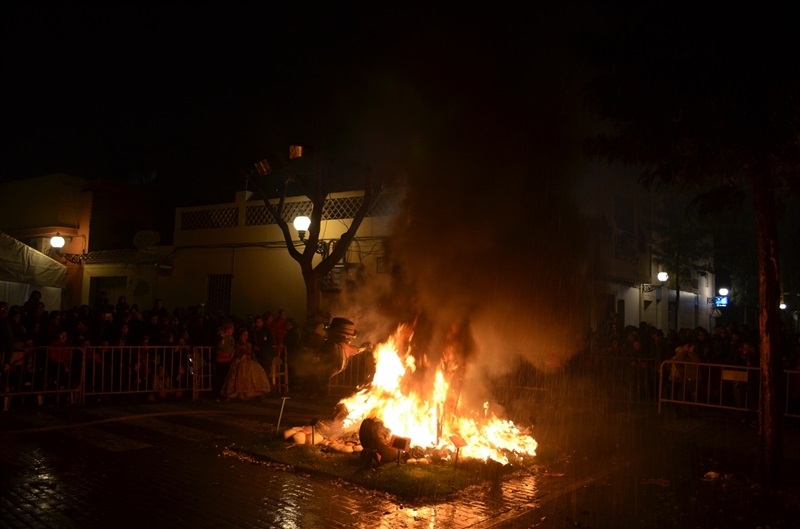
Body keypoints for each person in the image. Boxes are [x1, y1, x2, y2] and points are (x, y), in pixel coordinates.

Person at [314, 318, 371, 393]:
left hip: (314, 382)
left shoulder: (331, 346)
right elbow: (356, 349)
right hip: (319, 384)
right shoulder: (345, 348)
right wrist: (365, 348)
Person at [220, 328, 271, 400]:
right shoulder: (237, 344)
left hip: (248, 363)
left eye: (247, 335)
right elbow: (237, 353)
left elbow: (250, 354)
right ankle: (239, 393)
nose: (245, 336)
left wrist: (254, 360)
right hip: (239, 363)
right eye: (244, 335)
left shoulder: (249, 344)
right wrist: (239, 357)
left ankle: (251, 393)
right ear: (240, 336)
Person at [213, 321, 235, 398]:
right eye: (231, 329)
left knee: (225, 377)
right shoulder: (220, 336)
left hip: (228, 359)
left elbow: (232, 346)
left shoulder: (231, 337)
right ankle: (216, 393)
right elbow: (219, 345)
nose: (232, 331)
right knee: (219, 376)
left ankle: (222, 392)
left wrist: (232, 352)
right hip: (221, 360)